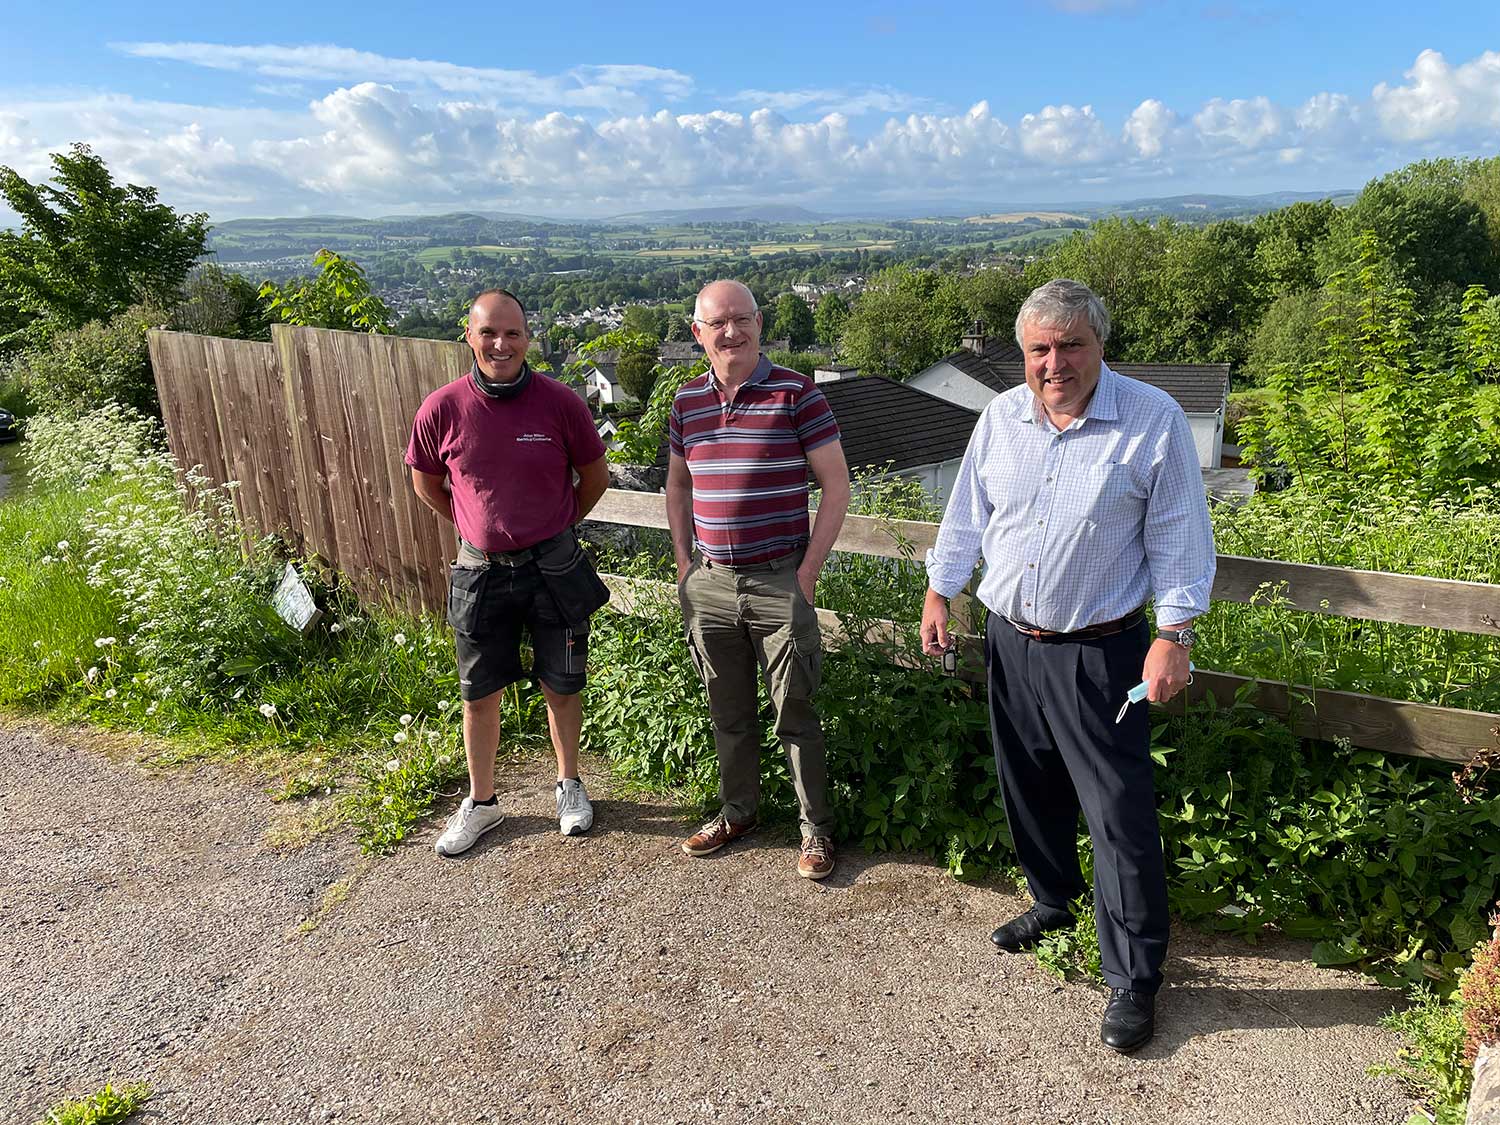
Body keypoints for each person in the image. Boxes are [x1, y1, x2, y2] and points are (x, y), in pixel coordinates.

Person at [920, 279, 1215, 1052]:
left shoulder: (1151, 419)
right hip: (1010, 639)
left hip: (1101, 652)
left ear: (1100, 345)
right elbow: (966, 514)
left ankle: (1135, 976)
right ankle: (1054, 902)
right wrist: (941, 589)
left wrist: (1175, 632)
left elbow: (1181, 534)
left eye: (1071, 345)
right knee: (1029, 785)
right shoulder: (1000, 418)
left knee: (1118, 815)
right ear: (1023, 353)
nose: (1055, 363)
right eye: (1040, 349)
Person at [406, 288, 611, 854]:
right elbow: (426, 484)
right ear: (469, 337)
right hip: (480, 573)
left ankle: (569, 785)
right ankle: (482, 803)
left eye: (512, 333)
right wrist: (475, 528)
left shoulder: (560, 403)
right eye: (489, 333)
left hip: (554, 568)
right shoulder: (441, 408)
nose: (501, 344)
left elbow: (594, 477)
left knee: (562, 684)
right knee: (479, 693)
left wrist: (557, 523)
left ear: (528, 338)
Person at [666, 279, 851, 880]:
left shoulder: (797, 394)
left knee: (795, 711)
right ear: (697, 333)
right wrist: (684, 566)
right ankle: (737, 813)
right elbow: (677, 486)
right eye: (718, 323)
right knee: (728, 712)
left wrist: (807, 573)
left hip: (779, 581)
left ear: (760, 323)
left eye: (742, 319)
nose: (731, 332)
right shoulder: (687, 402)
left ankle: (815, 830)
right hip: (711, 583)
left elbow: (837, 486)